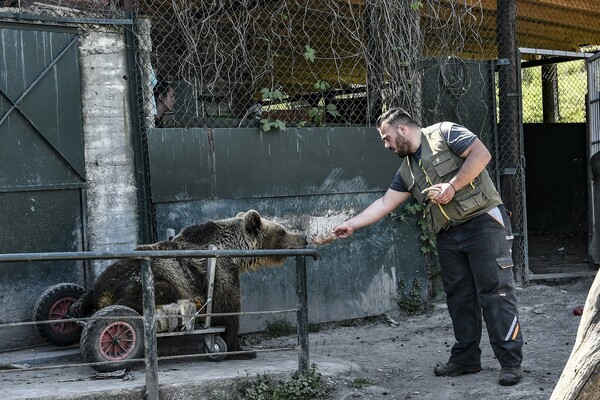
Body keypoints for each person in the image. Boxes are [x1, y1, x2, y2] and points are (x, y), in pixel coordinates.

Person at [332, 107, 523, 386]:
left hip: (483, 223)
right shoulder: (407, 170)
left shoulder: (446, 133)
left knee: (496, 294)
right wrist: (352, 224)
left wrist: (453, 186)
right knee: (458, 297)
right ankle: (466, 359)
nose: (386, 145)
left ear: (401, 129)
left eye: (386, 138)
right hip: (448, 233)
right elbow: (385, 203)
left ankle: (510, 363)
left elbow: (482, 154)